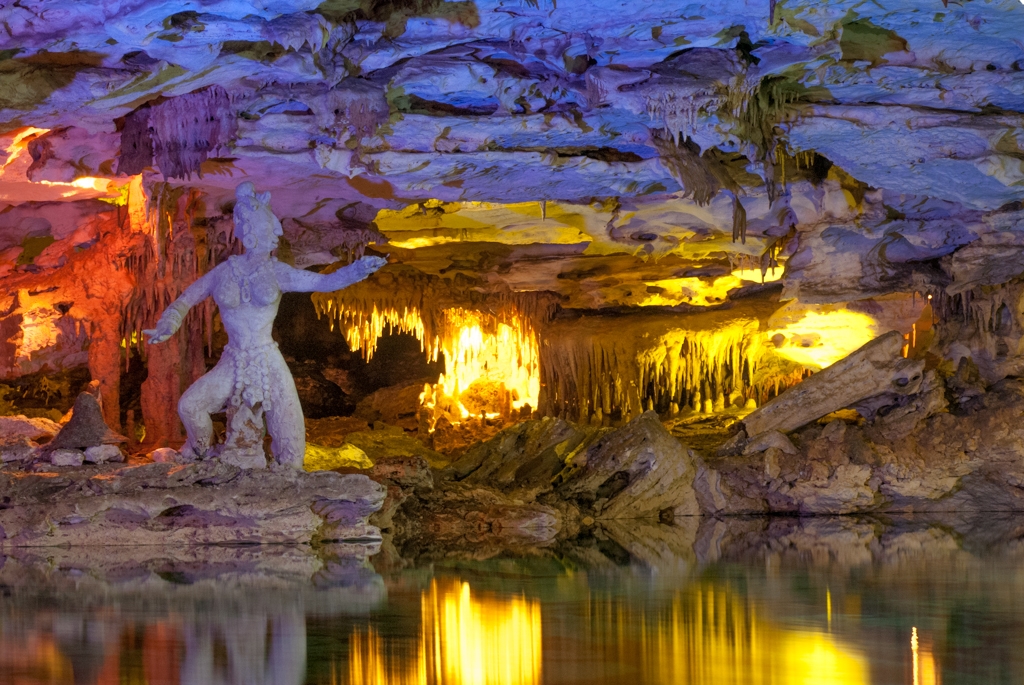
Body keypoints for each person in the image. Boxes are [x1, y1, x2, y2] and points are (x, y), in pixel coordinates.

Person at [144, 181, 385, 468]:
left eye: (255, 225)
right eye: (244, 223)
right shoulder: (224, 272)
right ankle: (198, 452)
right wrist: (168, 323)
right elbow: (185, 300)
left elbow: (323, 282)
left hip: (267, 357)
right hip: (233, 359)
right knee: (190, 406)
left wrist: (356, 270)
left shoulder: (277, 272)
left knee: (291, 437)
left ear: (267, 231)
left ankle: (287, 479)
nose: (248, 230)